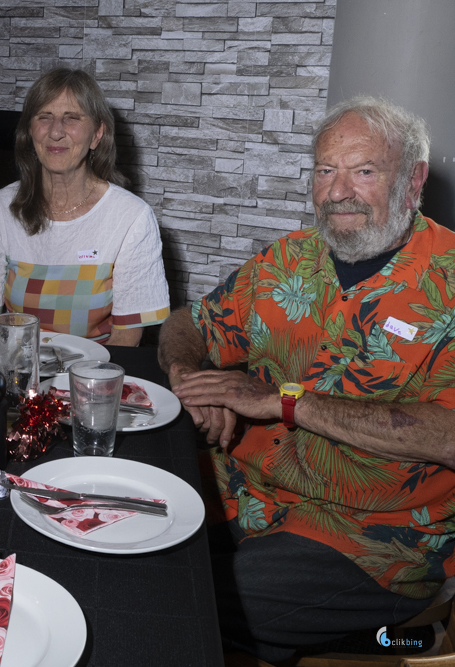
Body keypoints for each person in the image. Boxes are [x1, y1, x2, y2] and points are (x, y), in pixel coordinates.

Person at [158, 97, 455, 661]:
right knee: (119, 529)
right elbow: (187, 323)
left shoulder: (450, 279)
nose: (338, 192)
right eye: (325, 170)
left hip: (368, 538)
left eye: (364, 171)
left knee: (177, 603)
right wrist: (190, 376)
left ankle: (382, 643)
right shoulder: (287, 259)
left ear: (413, 181)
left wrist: (286, 401)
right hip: (241, 492)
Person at [0, 67, 170, 345]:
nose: (55, 132)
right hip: (19, 366)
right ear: (30, 131)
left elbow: (126, 338)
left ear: (97, 134)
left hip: (96, 369)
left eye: (72, 118)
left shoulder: (132, 218)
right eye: (44, 117)